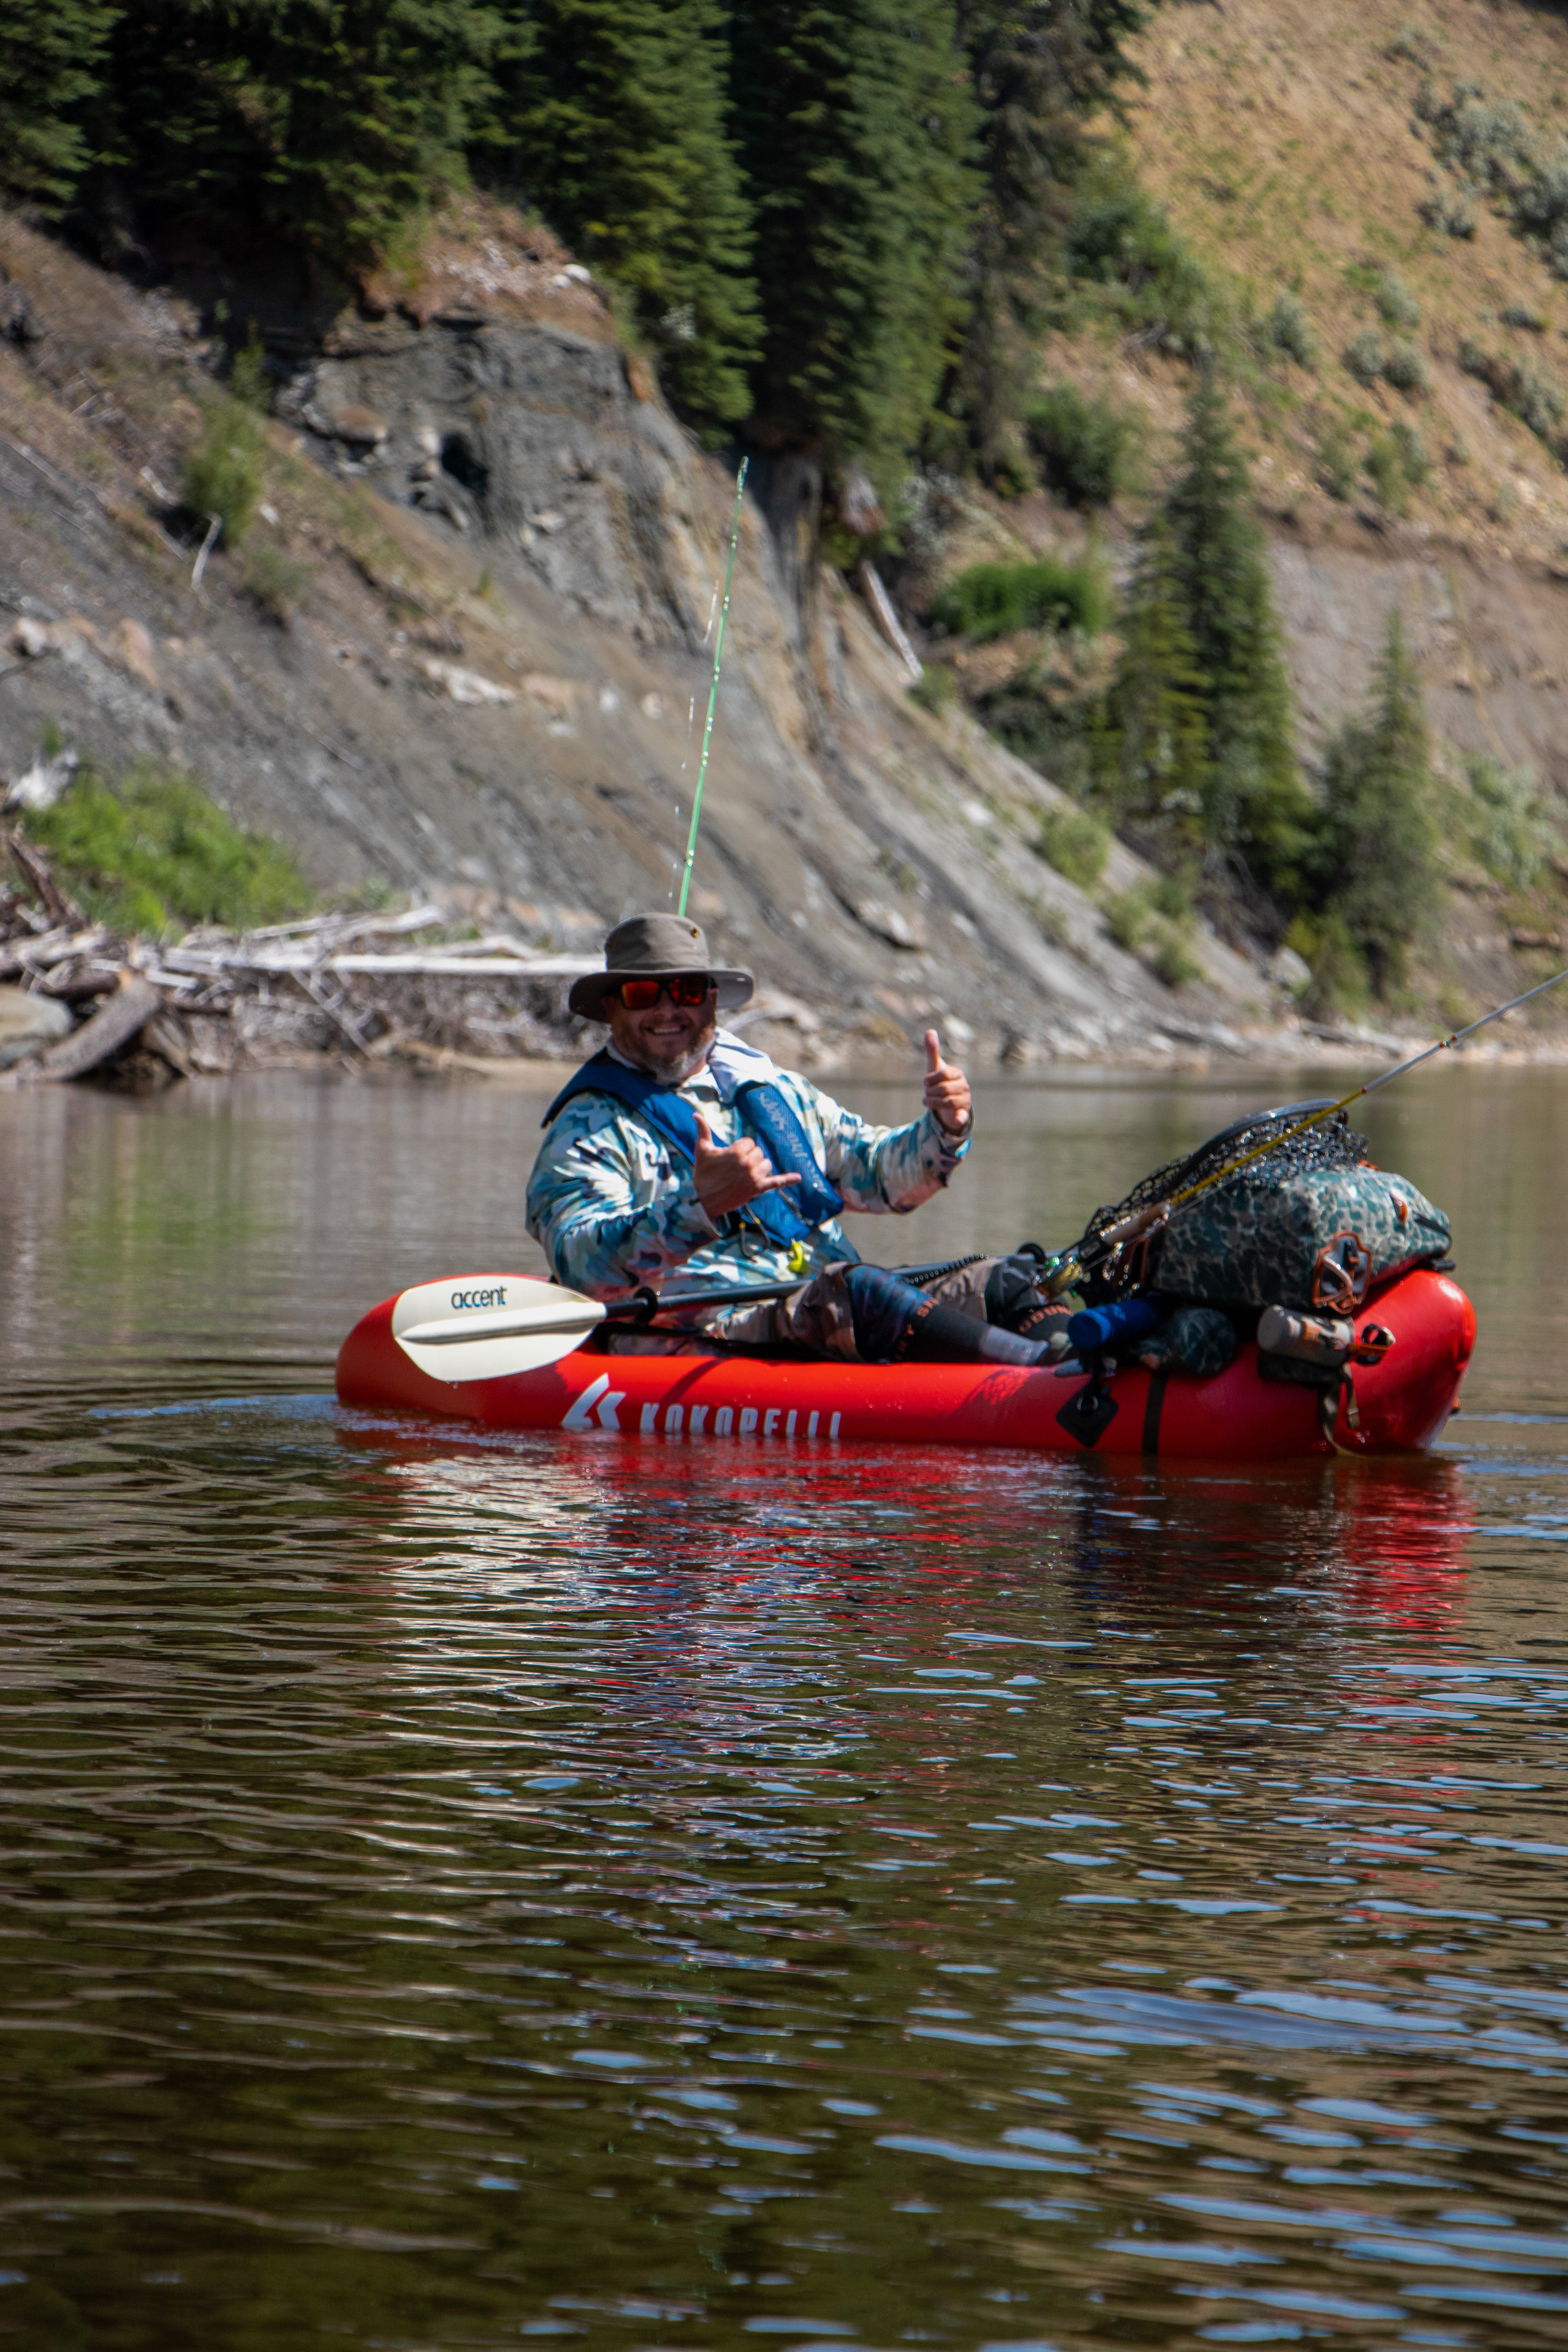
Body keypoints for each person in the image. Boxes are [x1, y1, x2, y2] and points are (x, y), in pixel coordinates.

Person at [526, 913, 1063, 1364]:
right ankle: (1037, 1381)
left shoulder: (772, 1091)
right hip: (701, 1333)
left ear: (711, 1000)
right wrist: (699, 1207)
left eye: (686, 991)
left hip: (815, 1303)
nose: (668, 1010)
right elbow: (582, 1269)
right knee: (863, 1292)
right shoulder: (589, 1123)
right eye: (644, 994)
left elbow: (879, 1176)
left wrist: (946, 1128)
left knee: (1009, 1280)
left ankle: (1081, 1364)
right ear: (613, 1009)